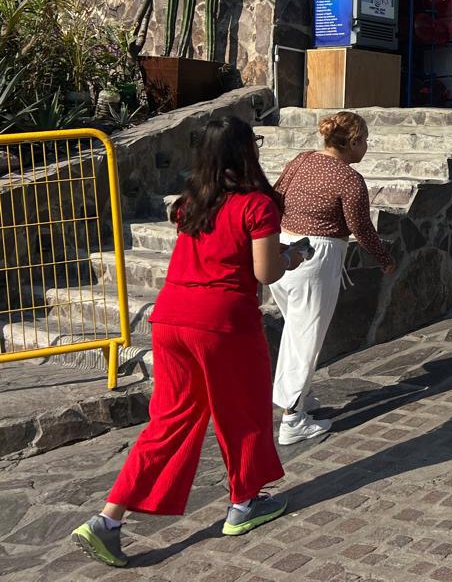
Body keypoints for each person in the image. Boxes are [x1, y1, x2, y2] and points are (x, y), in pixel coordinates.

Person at [71, 117, 305, 567]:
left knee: (169, 420)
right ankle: (244, 503)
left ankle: (108, 519)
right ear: (245, 152)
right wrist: (292, 254)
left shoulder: (189, 204)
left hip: (171, 318)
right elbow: (266, 273)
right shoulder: (257, 205)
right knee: (244, 412)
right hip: (222, 324)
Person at [270, 111, 395, 445]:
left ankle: (299, 395)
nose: (367, 147)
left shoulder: (301, 160)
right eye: (365, 141)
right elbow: (361, 228)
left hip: (283, 250)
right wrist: (385, 259)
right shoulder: (349, 179)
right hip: (316, 257)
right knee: (305, 337)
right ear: (353, 142)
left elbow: (276, 197)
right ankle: (293, 418)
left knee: (296, 332)